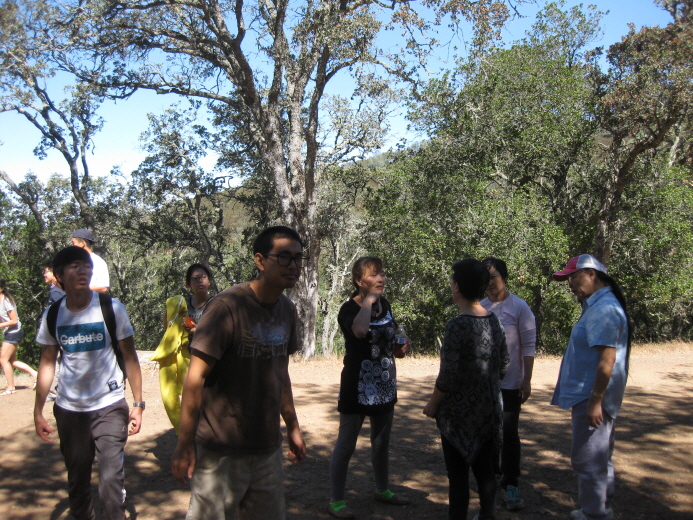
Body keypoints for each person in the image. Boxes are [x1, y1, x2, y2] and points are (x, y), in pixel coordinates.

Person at [171, 226, 307, 520]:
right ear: (260, 260)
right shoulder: (227, 307)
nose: (293, 265)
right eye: (284, 257)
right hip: (221, 450)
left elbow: (281, 374)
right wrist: (184, 445)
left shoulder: (287, 310)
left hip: (267, 448)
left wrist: (292, 426)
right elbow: (195, 379)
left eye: (298, 258)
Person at [33, 245, 144, 520]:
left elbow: (130, 357)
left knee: (111, 478)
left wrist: (138, 404)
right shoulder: (53, 315)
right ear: (60, 276)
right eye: (75, 266)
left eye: (86, 266)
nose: (83, 271)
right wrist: (38, 410)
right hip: (70, 410)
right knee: (78, 478)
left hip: (109, 405)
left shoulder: (111, 308)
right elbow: (47, 363)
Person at [423, 259, 509, 520]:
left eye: (452, 281)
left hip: (457, 415)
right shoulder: (495, 321)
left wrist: (433, 404)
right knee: (485, 471)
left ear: (458, 287)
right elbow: (504, 364)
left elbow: (447, 375)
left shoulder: (457, 325)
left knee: (458, 476)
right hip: (488, 409)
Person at [328, 256, 411, 519]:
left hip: (384, 383)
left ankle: (382, 489)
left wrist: (402, 345)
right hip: (357, 385)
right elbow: (360, 331)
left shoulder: (385, 305)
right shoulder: (348, 309)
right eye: (374, 274)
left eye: (382, 274)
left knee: (381, 442)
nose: (381, 278)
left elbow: (392, 336)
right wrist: (367, 301)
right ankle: (336, 501)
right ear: (358, 280)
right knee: (346, 445)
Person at [551, 255, 630, 520]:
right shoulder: (597, 305)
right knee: (599, 458)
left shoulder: (604, 309)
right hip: (591, 396)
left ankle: (594, 513)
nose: (570, 283)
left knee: (588, 459)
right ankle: (600, 507)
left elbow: (607, 360)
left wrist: (595, 401)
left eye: (573, 277)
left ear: (591, 274)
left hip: (592, 397)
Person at [480, 257, 536, 510]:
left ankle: (511, 484)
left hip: (511, 383)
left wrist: (527, 380)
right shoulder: (480, 307)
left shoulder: (519, 307)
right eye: (486, 278)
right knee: (488, 434)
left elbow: (529, 346)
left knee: (509, 434)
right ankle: (491, 480)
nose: (490, 283)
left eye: (494, 277)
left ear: (504, 277)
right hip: (485, 384)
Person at [151, 263, 214, 433]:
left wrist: (197, 330)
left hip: (209, 359)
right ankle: (189, 434)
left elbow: (221, 332)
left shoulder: (216, 304)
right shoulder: (181, 303)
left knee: (207, 400)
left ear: (209, 281)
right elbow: (168, 327)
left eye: (203, 277)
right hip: (186, 358)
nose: (200, 281)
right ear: (188, 284)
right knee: (189, 399)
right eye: (195, 278)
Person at [0, 278, 38, 395]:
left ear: (2, 288)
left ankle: (11, 387)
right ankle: (36, 374)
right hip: (10, 332)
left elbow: (14, 320)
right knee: (11, 361)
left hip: (14, 331)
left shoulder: (6, 301)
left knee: (3, 360)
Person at [43, 264, 66, 401]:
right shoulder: (55, 290)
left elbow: (62, 311)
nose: (44, 274)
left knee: (54, 360)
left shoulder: (56, 292)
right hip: (58, 331)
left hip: (59, 331)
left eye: (46, 272)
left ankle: (53, 392)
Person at [72, 228, 110, 293]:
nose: (72, 246)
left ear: (82, 243)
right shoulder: (74, 261)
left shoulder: (98, 262)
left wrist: (80, 288)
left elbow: (103, 288)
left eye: (74, 243)